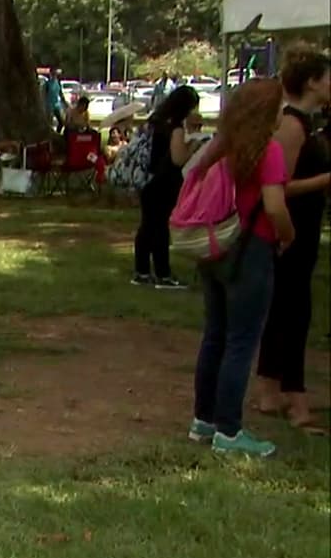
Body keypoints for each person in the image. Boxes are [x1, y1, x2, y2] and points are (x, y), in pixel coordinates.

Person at [187, 78, 295, 458]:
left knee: (215, 334)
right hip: (252, 250)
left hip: (214, 247)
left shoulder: (220, 147)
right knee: (241, 340)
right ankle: (229, 431)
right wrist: (288, 235)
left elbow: (190, 175)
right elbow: (275, 206)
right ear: (267, 112)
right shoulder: (269, 152)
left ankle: (204, 420)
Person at [255, 47, 331, 434]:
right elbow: (278, 187)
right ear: (313, 81)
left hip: (302, 229)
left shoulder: (308, 122)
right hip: (291, 232)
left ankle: (270, 390)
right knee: (294, 313)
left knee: (285, 309)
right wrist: (326, 180)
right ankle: (296, 399)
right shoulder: (292, 125)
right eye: (328, 76)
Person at [132, 85, 199, 288]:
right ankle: (163, 274)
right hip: (164, 182)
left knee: (147, 226)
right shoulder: (175, 127)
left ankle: (142, 271)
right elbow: (178, 159)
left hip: (147, 178)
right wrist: (194, 145)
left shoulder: (155, 121)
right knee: (160, 228)